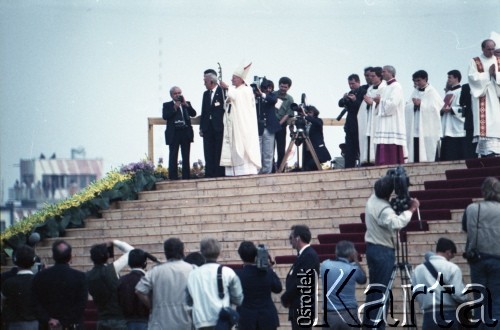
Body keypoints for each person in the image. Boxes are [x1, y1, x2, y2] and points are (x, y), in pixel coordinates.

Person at [363, 175, 419, 329]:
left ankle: (369, 325)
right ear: (389, 193)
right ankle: (376, 326)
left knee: (375, 291)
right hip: (383, 251)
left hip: (373, 248)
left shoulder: (373, 199)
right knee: (382, 292)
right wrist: (411, 209)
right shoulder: (384, 209)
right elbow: (397, 223)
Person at [462, 177, 500, 326]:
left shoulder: (472, 208)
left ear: (483, 191)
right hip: (498, 259)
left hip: (477, 258)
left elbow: (466, 228)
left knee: (480, 301)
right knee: (496, 302)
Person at [136, 238, 194, 329]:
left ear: (166, 252)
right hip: (184, 322)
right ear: (182, 250)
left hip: (159, 324)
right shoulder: (192, 270)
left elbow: (139, 290)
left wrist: (151, 306)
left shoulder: (155, 271)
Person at [411, 238, 469, 329]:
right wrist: (466, 299)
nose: (450, 259)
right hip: (448, 314)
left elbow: (416, 293)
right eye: (452, 256)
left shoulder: (418, 270)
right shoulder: (452, 268)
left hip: (428, 316)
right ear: (448, 252)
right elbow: (458, 294)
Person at [187, 237, 243, 329]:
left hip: (200, 322)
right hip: (223, 321)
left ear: (201, 252)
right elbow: (238, 299)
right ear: (219, 252)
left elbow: (188, 301)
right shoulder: (228, 272)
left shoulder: (192, 274)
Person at [32, 240, 88, 330]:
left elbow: (35, 302)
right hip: (72, 326)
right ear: (70, 256)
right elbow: (81, 304)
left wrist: (48, 319)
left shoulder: (40, 276)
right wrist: (63, 322)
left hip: (47, 326)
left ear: (53, 256)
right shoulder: (80, 277)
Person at [219, 62, 261, 176]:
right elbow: (230, 100)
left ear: (242, 79)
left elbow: (236, 97)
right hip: (234, 123)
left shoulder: (246, 90)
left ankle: (246, 170)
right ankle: (234, 171)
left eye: (234, 78)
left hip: (244, 124)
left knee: (243, 145)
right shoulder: (236, 90)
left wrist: (227, 87)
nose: (232, 80)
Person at [86, 239, 134, 330]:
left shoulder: (87, 275)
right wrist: (115, 242)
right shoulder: (112, 269)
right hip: (118, 318)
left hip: (101, 319)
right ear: (107, 255)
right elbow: (133, 252)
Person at [235, 241, 282, 330]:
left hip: (246, 319)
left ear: (241, 256)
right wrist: (270, 269)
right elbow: (278, 288)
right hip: (267, 318)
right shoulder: (268, 272)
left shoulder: (238, 275)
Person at [320, 240, 366, 329]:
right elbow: (363, 279)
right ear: (352, 253)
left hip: (330, 314)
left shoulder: (325, 265)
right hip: (349, 314)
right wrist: (356, 260)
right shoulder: (353, 269)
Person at [281, 225, 320, 330]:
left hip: (303, 309)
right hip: (298, 307)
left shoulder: (309, 255)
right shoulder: (303, 255)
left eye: (291, 237)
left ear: (297, 238)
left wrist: (286, 297)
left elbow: (301, 281)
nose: (290, 241)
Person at [467, 38, 500, 158]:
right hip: (482, 96)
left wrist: (496, 74)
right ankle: (487, 153)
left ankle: (496, 151)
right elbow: (472, 78)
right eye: (488, 49)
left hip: (496, 97)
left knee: (496, 122)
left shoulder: (498, 60)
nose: (491, 52)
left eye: (493, 49)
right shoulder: (475, 61)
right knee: (485, 125)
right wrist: (488, 74)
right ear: (482, 48)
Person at [405, 70, 443, 162]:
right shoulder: (415, 92)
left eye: (418, 80)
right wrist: (413, 105)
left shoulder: (432, 92)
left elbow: (436, 108)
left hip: (428, 130)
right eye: (415, 81)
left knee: (428, 151)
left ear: (425, 79)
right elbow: (407, 107)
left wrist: (421, 105)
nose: (416, 83)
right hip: (416, 128)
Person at [373, 65, 407, 165]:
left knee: (391, 143)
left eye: (384, 72)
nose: (382, 74)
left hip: (392, 121)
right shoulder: (386, 87)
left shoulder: (396, 86)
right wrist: (378, 102)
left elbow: (393, 104)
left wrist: (381, 101)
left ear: (391, 73)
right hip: (384, 121)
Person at [163, 86, 197, 180]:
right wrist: (175, 107)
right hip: (174, 133)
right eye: (175, 93)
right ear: (171, 95)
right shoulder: (167, 105)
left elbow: (194, 113)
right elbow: (165, 116)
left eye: (179, 93)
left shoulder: (186, 103)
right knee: (173, 155)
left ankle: (186, 177)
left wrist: (185, 104)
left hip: (185, 132)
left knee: (186, 156)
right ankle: (173, 177)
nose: (178, 95)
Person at [2, 245, 39, 330]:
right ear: (34, 261)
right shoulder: (38, 281)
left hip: (14, 325)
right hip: (35, 323)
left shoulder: (8, 283)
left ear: (15, 260)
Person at [200, 69, 226, 178]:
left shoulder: (222, 91)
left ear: (211, 81)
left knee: (218, 149)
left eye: (205, 81)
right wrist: (201, 127)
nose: (204, 84)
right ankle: (209, 173)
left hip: (219, 125)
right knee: (208, 150)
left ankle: (219, 173)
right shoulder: (206, 94)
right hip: (207, 126)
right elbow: (203, 111)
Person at [358, 67, 385, 166]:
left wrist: (372, 104)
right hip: (369, 121)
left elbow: (385, 106)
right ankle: (367, 159)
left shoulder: (384, 88)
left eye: (373, 76)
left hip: (378, 122)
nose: (371, 78)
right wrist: (369, 104)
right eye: (370, 76)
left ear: (379, 76)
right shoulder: (369, 89)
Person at [338, 73, 367, 168]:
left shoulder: (364, 91)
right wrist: (344, 99)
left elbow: (363, 107)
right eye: (349, 84)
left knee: (361, 149)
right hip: (350, 126)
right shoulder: (351, 93)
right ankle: (348, 168)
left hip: (360, 125)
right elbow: (340, 104)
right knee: (349, 150)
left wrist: (355, 100)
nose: (351, 86)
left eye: (353, 84)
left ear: (358, 82)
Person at [117, 249, 150, 330]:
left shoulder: (121, 280)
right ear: (145, 263)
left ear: (129, 263)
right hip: (145, 321)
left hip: (126, 322)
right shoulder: (148, 280)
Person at [254, 78, 281, 174]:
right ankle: (257, 171)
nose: (268, 90)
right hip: (258, 128)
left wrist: (262, 94)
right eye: (266, 88)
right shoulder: (255, 97)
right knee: (257, 151)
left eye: (270, 88)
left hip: (269, 128)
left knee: (268, 152)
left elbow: (273, 100)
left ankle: (266, 172)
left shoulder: (272, 96)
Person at [440, 70, 467, 161]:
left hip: (457, 127)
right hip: (447, 124)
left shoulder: (462, 91)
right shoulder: (448, 93)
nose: (448, 80)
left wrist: (452, 110)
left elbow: (465, 108)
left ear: (456, 78)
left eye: (450, 77)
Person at [301, 106, 331, 171]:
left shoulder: (318, 120)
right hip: (308, 151)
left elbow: (318, 123)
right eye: (307, 112)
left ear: (315, 113)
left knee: (312, 164)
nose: (308, 114)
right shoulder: (305, 124)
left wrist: (306, 117)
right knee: (308, 168)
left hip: (317, 149)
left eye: (310, 112)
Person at [274, 77, 295, 171]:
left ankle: (280, 169)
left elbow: (288, 114)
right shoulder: (273, 94)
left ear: (288, 88)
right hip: (271, 124)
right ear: (279, 85)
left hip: (281, 126)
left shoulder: (290, 99)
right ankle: (270, 169)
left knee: (281, 149)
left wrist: (279, 124)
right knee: (269, 149)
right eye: (281, 86)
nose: (283, 88)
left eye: (285, 87)